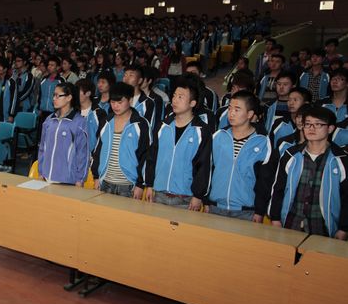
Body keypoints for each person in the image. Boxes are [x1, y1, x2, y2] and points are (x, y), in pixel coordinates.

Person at [269, 107, 347, 240]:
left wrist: (344, 228)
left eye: (318, 124)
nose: (311, 128)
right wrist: (275, 218)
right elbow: (278, 189)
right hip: (291, 223)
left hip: (324, 227)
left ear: (330, 128)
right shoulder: (290, 155)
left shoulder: (341, 159)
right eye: (308, 124)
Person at [143, 76, 212, 210]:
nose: (174, 100)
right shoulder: (163, 126)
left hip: (186, 198)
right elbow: (152, 157)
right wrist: (149, 184)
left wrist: (198, 195)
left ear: (192, 103)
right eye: (174, 96)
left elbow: (204, 166)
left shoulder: (201, 131)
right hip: (159, 194)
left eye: (180, 97)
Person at [208, 91, 272, 222]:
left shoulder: (262, 142)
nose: (231, 113)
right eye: (230, 108)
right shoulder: (218, 137)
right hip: (215, 207)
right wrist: (205, 201)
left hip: (246, 211)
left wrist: (260, 210)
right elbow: (207, 170)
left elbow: (264, 181)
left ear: (250, 114)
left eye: (237, 110)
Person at [91, 82, 149, 197]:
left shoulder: (140, 124)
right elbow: (97, 150)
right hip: (105, 182)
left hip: (128, 185)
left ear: (130, 100)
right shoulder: (106, 121)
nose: (115, 106)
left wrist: (140, 184)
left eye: (120, 102)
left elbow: (146, 155)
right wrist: (96, 177)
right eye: (113, 102)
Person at [37, 82, 89, 185]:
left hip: (67, 181)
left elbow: (83, 154)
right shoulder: (49, 120)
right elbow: (42, 147)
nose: (54, 98)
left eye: (58, 96)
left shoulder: (79, 122)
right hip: (46, 177)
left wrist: (80, 179)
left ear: (69, 98)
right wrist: (41, 171)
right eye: (54, 95)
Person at [75, 78, 107, 153]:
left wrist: (94, 155)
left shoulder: (99, 113)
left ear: (88, 93)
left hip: (91, 156)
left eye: (77, 91)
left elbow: (102, 139)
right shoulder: (73, 112)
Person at [37, 56, 64, 124]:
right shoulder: (44, 79)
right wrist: (39, 108)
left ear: (57, 67)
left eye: (52, 65)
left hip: (55, 112)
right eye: (49, 65)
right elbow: (40, 95)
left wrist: (60, 110)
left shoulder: (61, 80)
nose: (49, 67)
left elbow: (63, 97)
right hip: (43, 111)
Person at [0, 57, 18, 122]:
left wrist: (11, 114)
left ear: (5, 69)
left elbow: (14, 99)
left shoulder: (11, 82)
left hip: (5, 114)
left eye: (0, 67)